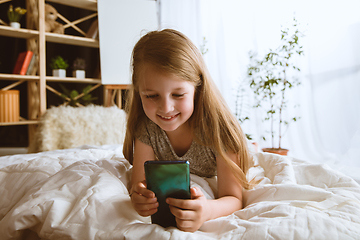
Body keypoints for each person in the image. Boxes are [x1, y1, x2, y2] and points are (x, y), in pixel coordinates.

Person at [123, 29, 256, 232]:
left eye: (178, 94)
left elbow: (234, 198)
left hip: (234, 147)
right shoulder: (147, 129)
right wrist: (139, 198)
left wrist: (207, 210)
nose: (166, 108)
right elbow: (138, 186)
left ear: (197, 88)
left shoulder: (219, 130)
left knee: (252, 151)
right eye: (151, 95)